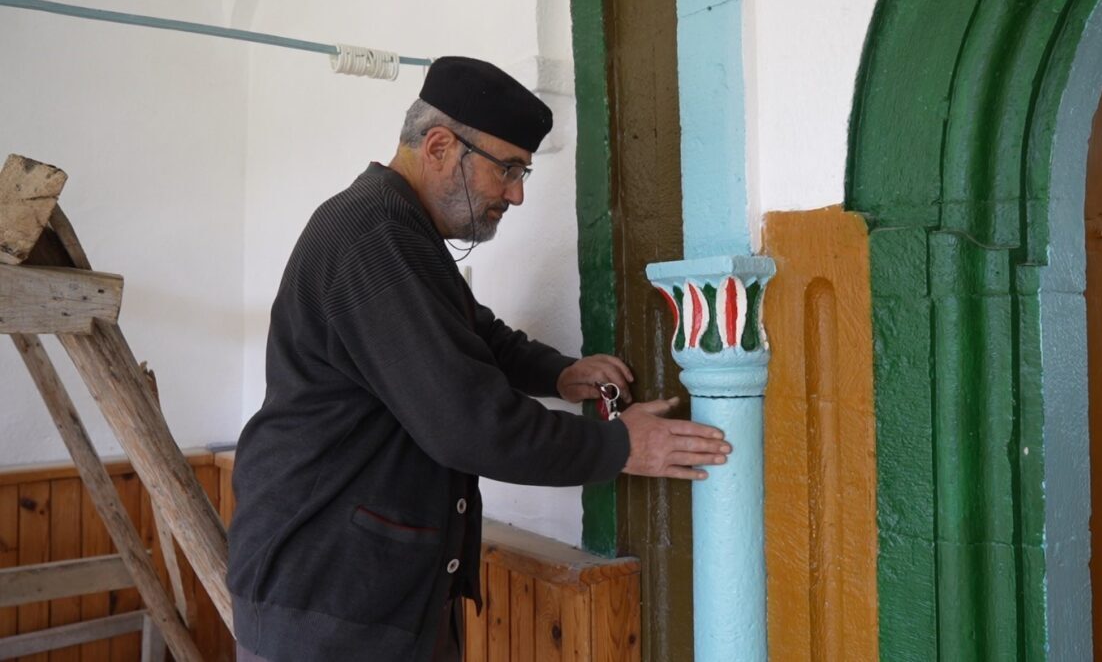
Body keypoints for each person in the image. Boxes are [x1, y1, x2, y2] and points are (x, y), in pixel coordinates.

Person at [226, 56, 730, 661]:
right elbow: (466, 421)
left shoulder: (397, 230)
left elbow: (470, 331)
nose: (516, 195)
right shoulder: (371, 236)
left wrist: (558, 374)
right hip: (330, 602)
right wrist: (623, 446)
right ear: (439, 146)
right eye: (509, 169)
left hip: (361, 597)